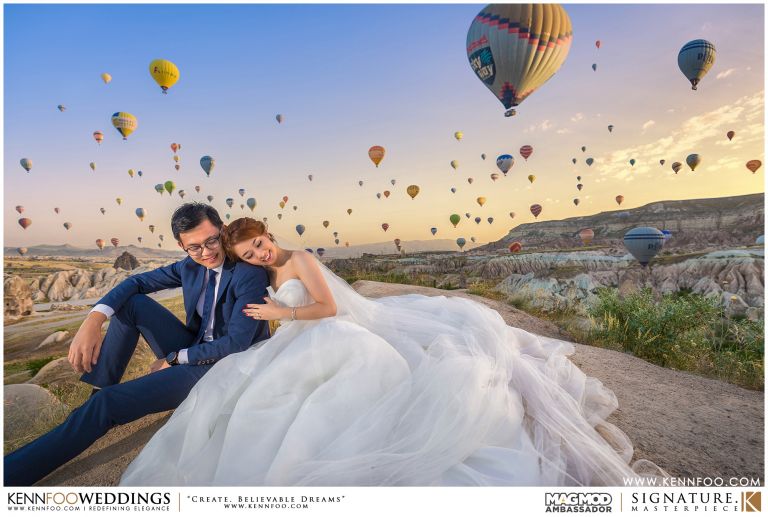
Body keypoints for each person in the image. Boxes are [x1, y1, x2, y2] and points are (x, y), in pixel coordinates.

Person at [121, 217, 666, 486]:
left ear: (267, 233)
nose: (260, 253)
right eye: (249, 252)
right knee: (261, 398)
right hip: (295, 338)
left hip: (319, 328)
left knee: (322, 388)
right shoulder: (260, 272)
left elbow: (329, 309)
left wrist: (282, 315)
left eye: (259, 244)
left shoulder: (302, 258)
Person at [4, 204, 270, 486]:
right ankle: (100, 390)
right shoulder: (190, 267)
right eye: (194, 247)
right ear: (181, 246)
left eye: (211, 240)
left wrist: (176, 357)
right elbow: (136, 282)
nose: (205, 252)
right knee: (132, 304)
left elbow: (236, 344)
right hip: (194, 346)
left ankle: (9, 476)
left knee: (108, 406)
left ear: (223, 230)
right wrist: (93, 320)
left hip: (223, 366)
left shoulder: (246, 273)